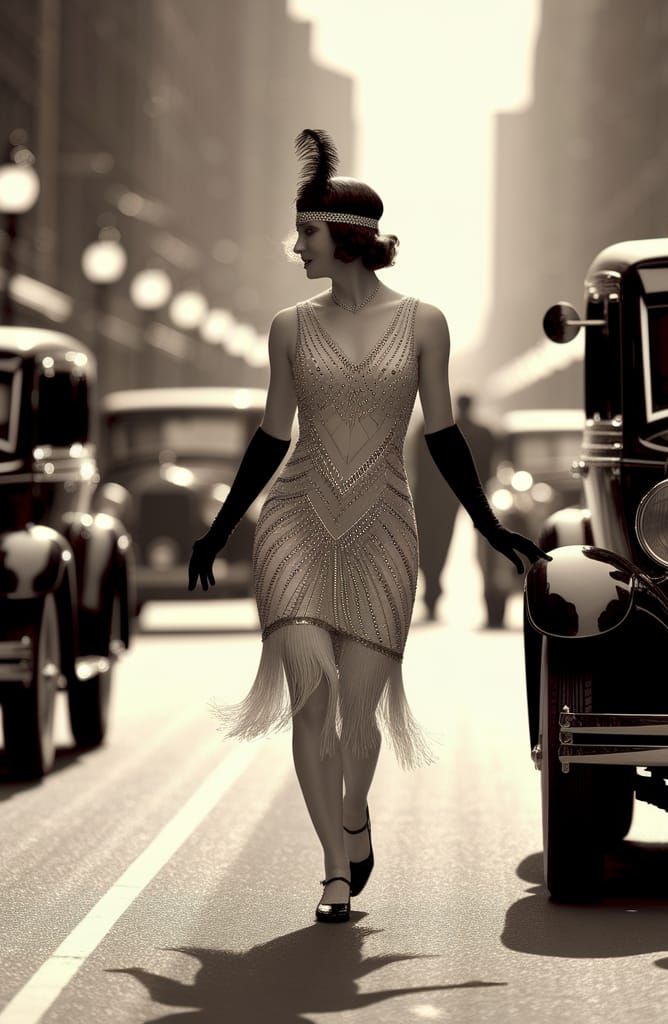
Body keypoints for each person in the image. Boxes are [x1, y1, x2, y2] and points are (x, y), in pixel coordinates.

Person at [187, 129, 550, 925]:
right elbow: (272, 436)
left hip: (387, 525)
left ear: (344, 236)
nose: (297, 249)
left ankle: (354, 814)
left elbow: (445, 435)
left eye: (307, 235)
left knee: (361, 714)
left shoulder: (425, 324)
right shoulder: (288, 327)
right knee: (310, 698)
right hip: (292, 523)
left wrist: (490, 528)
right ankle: (333, 873)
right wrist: (220, 530)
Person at [411, 393, 497, 623]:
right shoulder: (483, 434)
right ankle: (490, 597)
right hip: (464, 493)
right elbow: (488, 469)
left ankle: (432, 590)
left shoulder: (427, 429)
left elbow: (418, 466)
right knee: (468, 545)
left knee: (435, 543)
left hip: (436, 496)